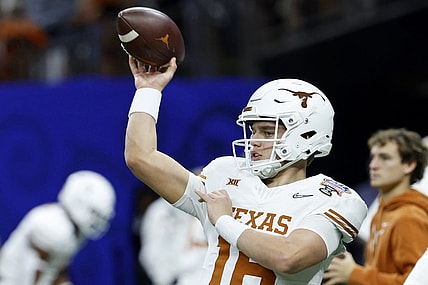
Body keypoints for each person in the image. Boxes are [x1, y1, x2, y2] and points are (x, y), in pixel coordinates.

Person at [124, 56, 368, 284]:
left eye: (268, 132)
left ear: (307, 135)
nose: (255, 141)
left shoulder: (332, 198)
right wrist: (148, 90)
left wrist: (224, 221)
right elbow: (141, 158)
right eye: (253, 130)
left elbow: (289, 257)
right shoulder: (226, 174)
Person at [323, 128, 428, 285]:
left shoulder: (409, 216)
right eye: (373, 157)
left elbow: (417, 282)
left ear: (409, 165)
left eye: (385, 158)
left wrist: (355, 274)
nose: (373, 165)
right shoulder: (382, 212)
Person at [0, 170, 116, 285]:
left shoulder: (75, 231)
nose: (97, 221)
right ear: (78, 201)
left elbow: (57, 269)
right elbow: (31, 268)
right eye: (94, 213)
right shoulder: (53, 225)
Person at [139, 196, 208, 285]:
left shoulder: (207, 204)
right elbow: (151, 253)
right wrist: (166, 280)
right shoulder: (160, 211)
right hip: (180, 278)